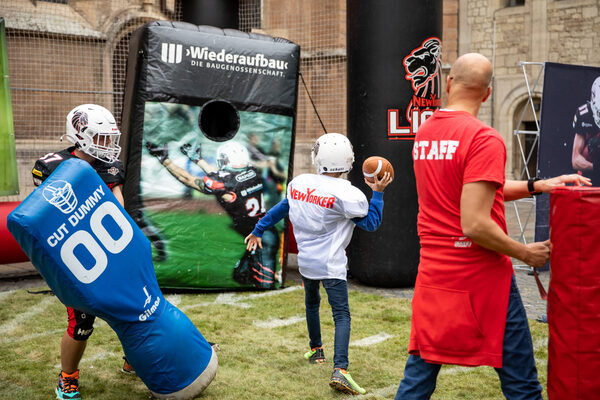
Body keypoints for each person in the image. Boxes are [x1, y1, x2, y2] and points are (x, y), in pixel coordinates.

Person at [396, 53, 591, 400]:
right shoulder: (483, 138)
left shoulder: (426, 132)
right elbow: (474, 223)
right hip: (481, 280)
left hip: (436, 276)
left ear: (449, 82)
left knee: (419, 378)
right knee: (523, 386)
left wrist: (537, 185)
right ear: (487, 95)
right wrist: (525, 252)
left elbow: (477, 188)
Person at [245, 133, 393, 395]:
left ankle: (317, 350)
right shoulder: (348, 194)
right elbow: (371, 223)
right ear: (347, 161)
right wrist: (378, 194)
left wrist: (259, 229)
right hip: (331, 263)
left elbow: (282, 208)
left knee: (312, 303)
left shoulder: (300, 183)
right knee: (341, 315)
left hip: (306, 261)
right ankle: (341, 370)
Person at [32, 104, 134, 400]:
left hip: (108, 246)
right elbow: (42, 214)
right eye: (102, 138)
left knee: (129, 308)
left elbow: (119, 210)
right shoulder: (51, 165)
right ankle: (68, 377)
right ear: (80, 134)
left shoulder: (110, 167)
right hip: (71, 254)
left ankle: (134, 358)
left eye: (110, 138)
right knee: (82, 322)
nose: (109, 145)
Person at [145, 140, 279, 288]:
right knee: (240, 275)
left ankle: (270, 278)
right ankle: (266, 272)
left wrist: (166, 161)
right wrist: (198, 160)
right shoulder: (253, 172)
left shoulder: (228, 185)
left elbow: (188, 179)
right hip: (261, 234)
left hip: (262, 240)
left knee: (265, 288)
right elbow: (223, 176)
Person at [572, 76, 600, 185]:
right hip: (591, 173)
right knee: (590, 146)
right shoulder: (585, 114)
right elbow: (575, 160)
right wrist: (596, 167)